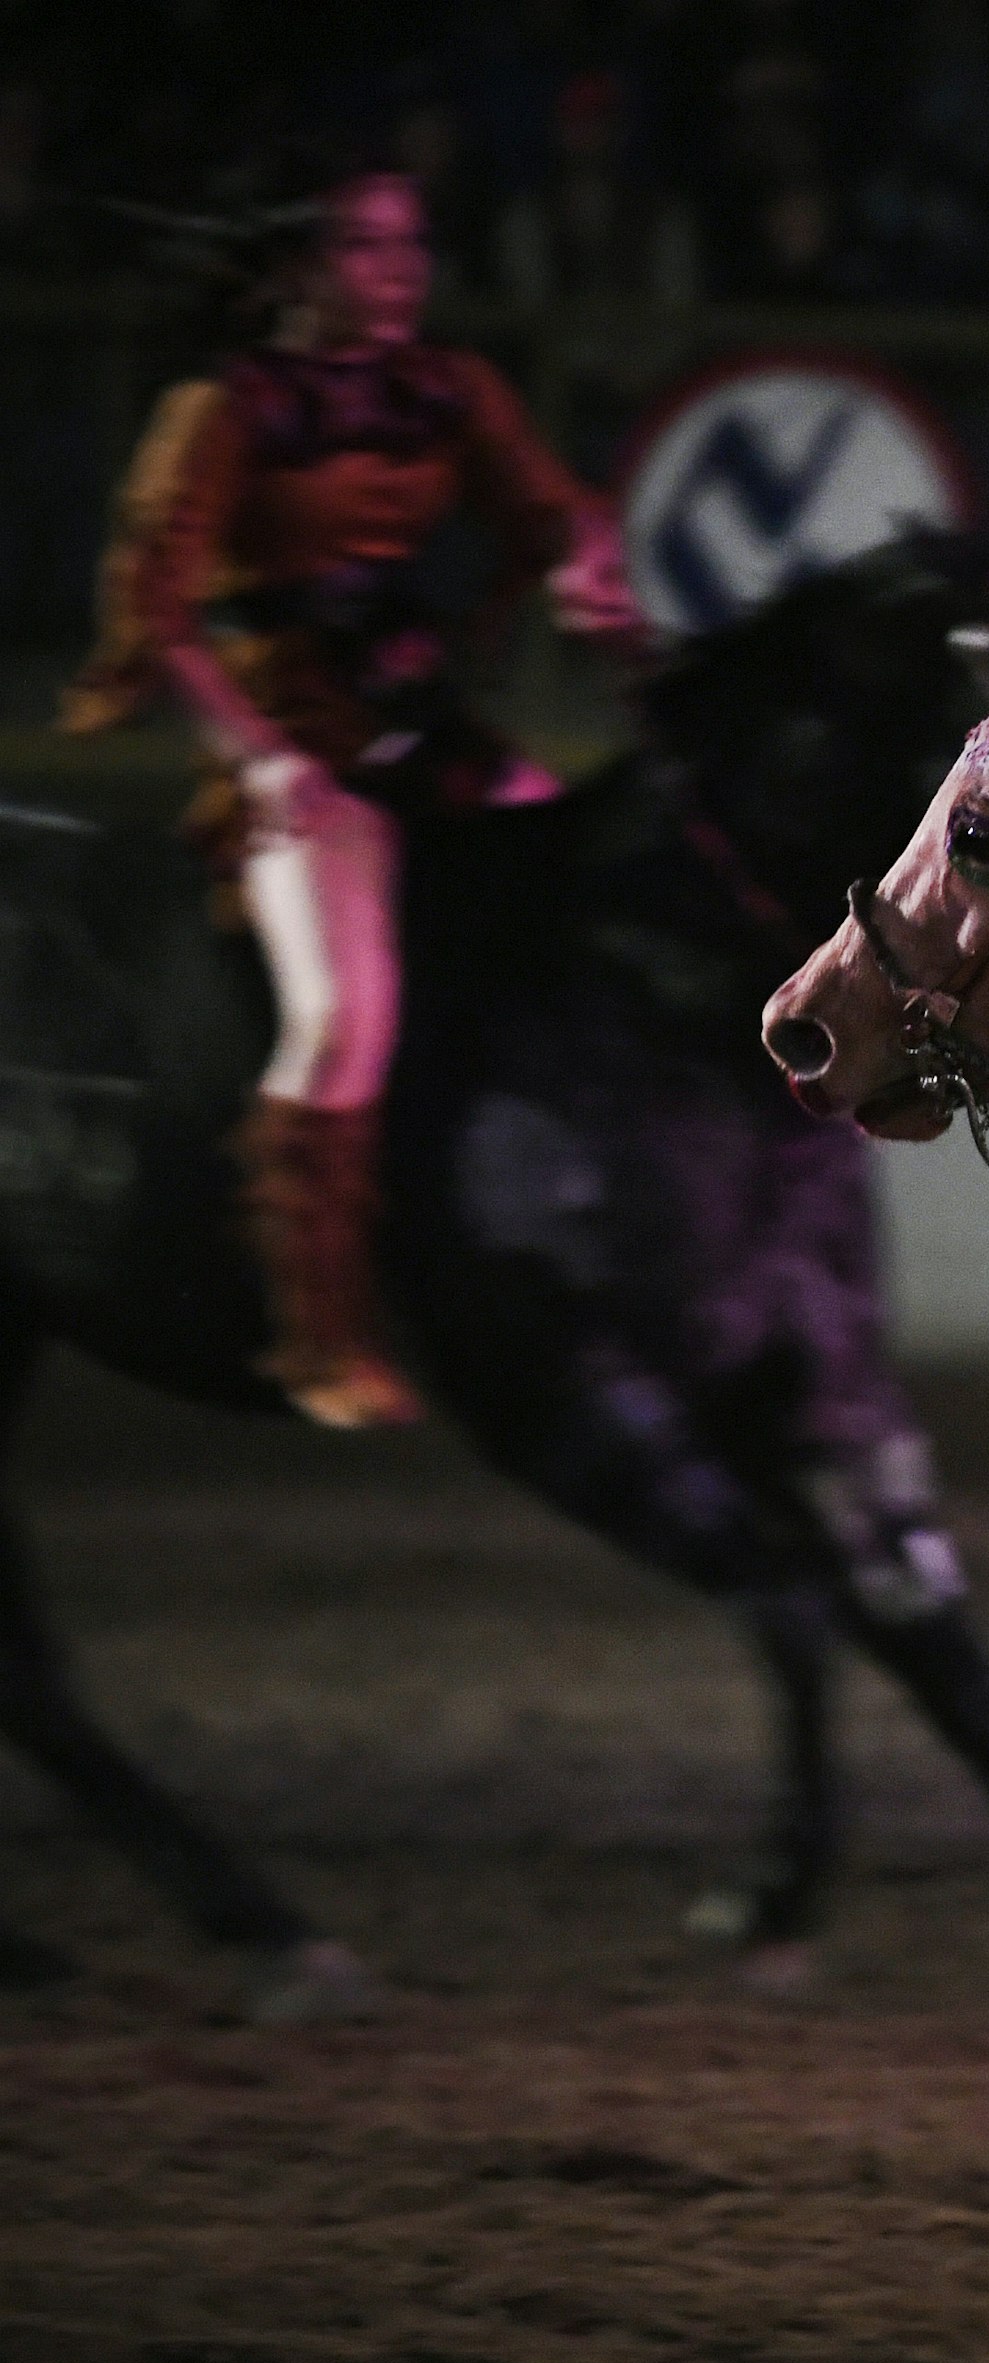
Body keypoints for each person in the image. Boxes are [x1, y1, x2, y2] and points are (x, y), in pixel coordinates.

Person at [65, 161, 635, 1425]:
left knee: (590, 906)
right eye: (368, 247)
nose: (402, 271)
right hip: (295, 735)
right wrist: (259, 754)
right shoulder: (222, 410)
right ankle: (317, 1337)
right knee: (342, 1011)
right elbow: (156, 616)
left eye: (412, 244)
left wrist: (582, 567)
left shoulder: (448, 386)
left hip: (423, 712)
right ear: (295, 268)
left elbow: (549, 509)